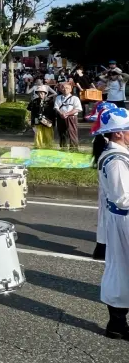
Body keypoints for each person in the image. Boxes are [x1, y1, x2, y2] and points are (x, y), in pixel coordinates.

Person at [90, 107, 129, 340]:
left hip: (122, 221)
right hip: (124, 220)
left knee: (121, 269)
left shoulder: (118, 154)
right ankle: (116, 324)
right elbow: (123, 198)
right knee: (120, 269)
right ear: (118, 133)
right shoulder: (115, 160)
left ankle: (117, 324)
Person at [88, 101, 118, 261]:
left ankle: (101, 247)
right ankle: (102, 249)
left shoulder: (101, 139)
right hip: (111, 188)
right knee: (107, 217)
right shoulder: (107, 144)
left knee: (104, 216)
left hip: (106, 187)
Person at [54, 81, 83, 150]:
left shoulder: (75, 98)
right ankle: (63, 147)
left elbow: (78, 109)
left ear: (70, 89)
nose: (65, 89)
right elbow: (56, 107)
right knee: (62, 132)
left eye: (67, 88)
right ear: (60, 89)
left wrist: (67, 114)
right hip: (60, 117)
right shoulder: (58, 97)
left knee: (72, 132)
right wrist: (61, 113)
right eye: (63, 88)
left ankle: (74, 148)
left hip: (71, 117)